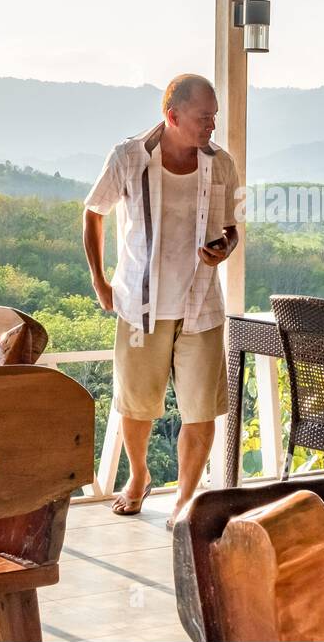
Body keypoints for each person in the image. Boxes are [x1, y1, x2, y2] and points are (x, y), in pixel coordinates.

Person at [82, 73, 240, 528]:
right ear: (172, 116)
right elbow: (94, 212)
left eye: (214, 116)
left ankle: (185, 500)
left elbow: (230, 228)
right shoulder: (129, 158)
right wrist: (99, 281)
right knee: (136, 404)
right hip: (139, 305)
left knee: (200, 409)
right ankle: (138, 478)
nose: (211, 125)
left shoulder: (221, 164)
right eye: (203, 117)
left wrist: (224, 247)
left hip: (201, 306)